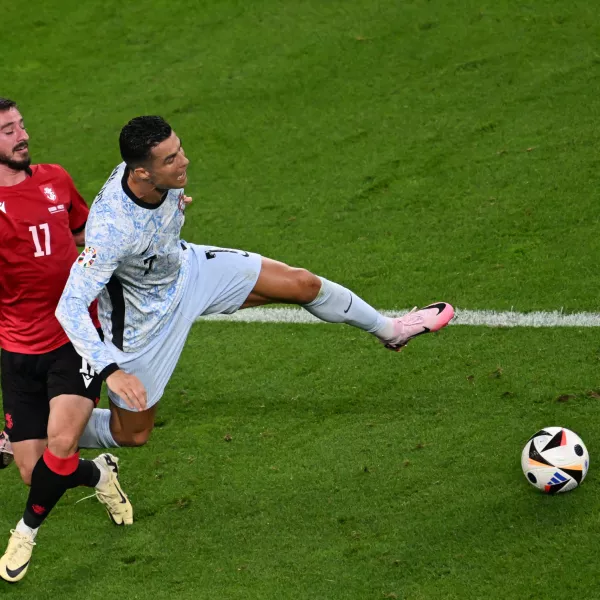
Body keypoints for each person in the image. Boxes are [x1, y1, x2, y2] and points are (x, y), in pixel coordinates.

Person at [56, 114, 454, 450]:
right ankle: (41, 428)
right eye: (172, 158)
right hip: (143, 324)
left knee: (302, 284)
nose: (185, 162)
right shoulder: (110, 229)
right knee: (133, 435)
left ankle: (393, 330)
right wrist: (113, 371)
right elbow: (70, 305)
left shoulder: (158, 180)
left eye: (180, 149)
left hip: (188, 271)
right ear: (142, 171)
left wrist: (174, 204)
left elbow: (152, 219)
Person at [0, 98, 133, 584]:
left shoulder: (55, 177)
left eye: (20, 125)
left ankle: (25, 532)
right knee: (38, 472)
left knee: (61, 441)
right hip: (17, 350)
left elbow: (86, 233)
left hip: (74, 337)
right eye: (7, 130)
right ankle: (99, 474)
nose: (21, 135)